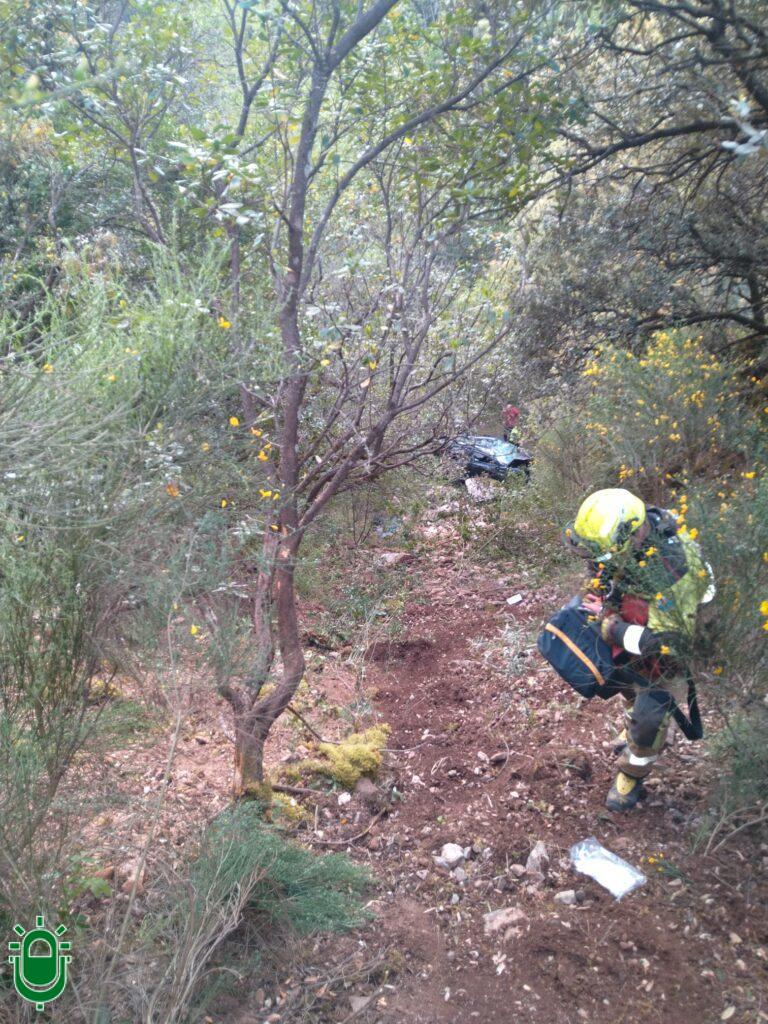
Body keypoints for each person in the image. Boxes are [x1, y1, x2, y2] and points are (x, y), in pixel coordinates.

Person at [563, 488, 715, 811]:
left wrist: (612, 628)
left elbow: (666, 647)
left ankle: (633, 770)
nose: (595, 563)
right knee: (604, 667)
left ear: (630, 537)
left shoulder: (674, 571)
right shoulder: (633, 540)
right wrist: (603, 604)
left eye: (600, 555)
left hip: (671, 646)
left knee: (649, 719)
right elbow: (606, 578)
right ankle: (634, 705)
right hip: (641, 623)